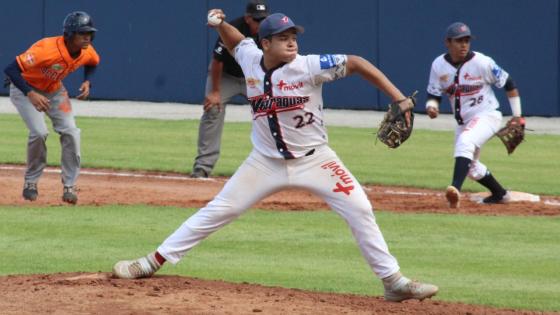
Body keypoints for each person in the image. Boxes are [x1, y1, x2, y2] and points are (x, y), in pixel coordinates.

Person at [113, 10, 438, 302]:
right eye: (283, 38)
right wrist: (220, 23)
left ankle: (393, 282)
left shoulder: (310, 66)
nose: (291, 42)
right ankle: (151, 262)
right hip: (264, 162)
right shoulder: (250, 57)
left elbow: (355, 62)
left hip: (317, 160)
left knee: (360, 208)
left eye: (293, 36)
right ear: (265, 43)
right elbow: (236, 39)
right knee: (219, 210)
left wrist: (399, 98)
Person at [3, 11, 100, 204]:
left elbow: (93, 63)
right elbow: (11, 70)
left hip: (55, 91)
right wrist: (31, 94)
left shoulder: (86, 50)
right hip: (25, 89)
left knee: (71, 132)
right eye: (82, 33)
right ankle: (31, 182)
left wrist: (87, 81)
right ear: (70, 35)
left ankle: (69, 186)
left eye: (89, 33)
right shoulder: (45, 49)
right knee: (39, 132)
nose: (87, 37)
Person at [425, 22, 523, 208]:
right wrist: (431, 106)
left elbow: (508, 83)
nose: (464, 45)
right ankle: (499, 194)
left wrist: (518, 116)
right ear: (447, 42)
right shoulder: (438, 65)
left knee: (465, 142)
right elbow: (433, 93)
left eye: (467, 40)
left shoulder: (482, 62)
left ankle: (454, 190)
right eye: (459, 41)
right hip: (464, 121)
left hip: (487, 115)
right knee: (470, 167)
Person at [191, 0, 270, 178]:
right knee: (212, 109)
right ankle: (202, 167)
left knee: (273, 112)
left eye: (263, 19)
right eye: (257, 19)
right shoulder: (233, 28)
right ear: (248, 18)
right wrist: (215, 92)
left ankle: (275, 166)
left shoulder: (271, 31)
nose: (260, 23)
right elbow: (217, 61)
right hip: (227, 77)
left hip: (255, 78)